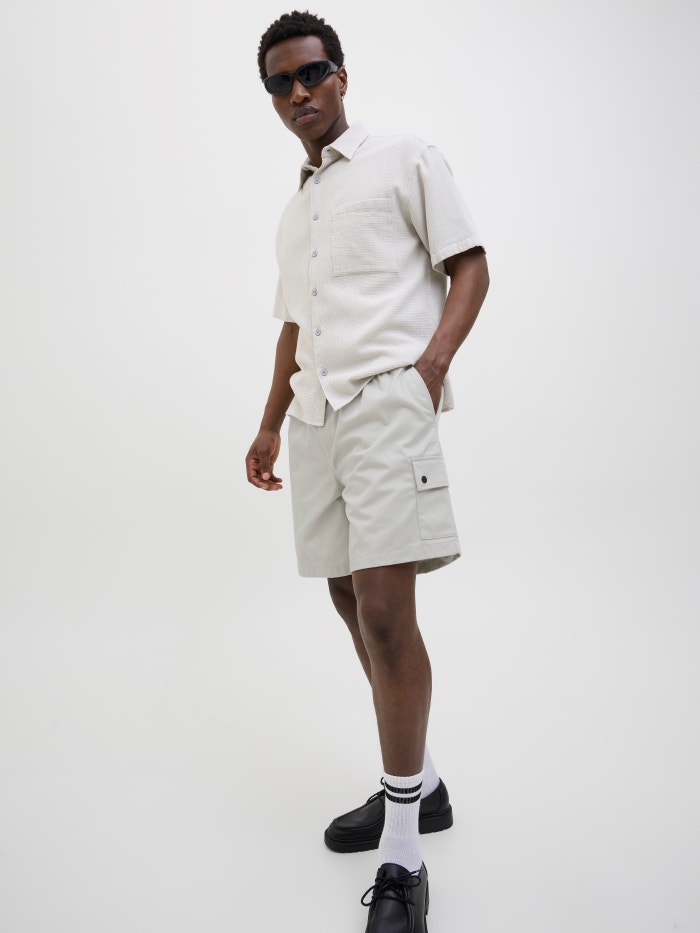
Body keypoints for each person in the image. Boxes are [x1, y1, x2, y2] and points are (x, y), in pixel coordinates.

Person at [246, 10, 489, 931]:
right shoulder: (295, 211)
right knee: (350, 602)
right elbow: (294, 325)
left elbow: (470, 266)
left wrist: (428, 371)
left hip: (387, 402)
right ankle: (421, 786)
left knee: (388, 614)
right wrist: (269, 423)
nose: (298, 91)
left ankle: (404, 857)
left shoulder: (404, 159)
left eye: (311, 73)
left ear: (341, 76)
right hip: (315, 419)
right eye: (280, 83)